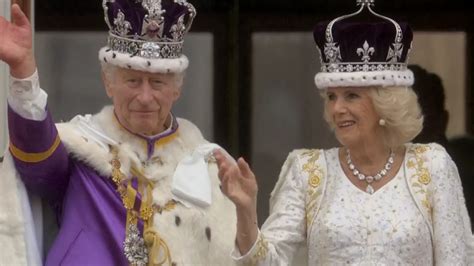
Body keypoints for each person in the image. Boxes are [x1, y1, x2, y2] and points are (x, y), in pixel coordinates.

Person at [214, 0, 474, 265]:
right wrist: (246, 210)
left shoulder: (431, 166)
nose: (337, 108)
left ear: (386, 103)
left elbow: (457, 259)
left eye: (351, 95)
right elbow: (267, 262)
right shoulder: (307, 171)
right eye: (331, 96)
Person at [0, 0, 237, 265]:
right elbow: (36, 161)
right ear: (108, 83)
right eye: (132, 81)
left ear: (177, 89)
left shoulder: (209, 165)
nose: (145, 97)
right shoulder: (83, 146)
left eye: (157, 82)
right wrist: (23, 72)